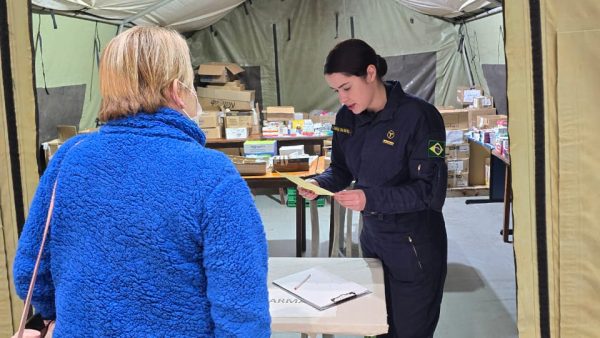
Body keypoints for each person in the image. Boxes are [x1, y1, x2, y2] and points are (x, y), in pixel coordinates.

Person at [13, 26, 271, 337]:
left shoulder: (69, 157)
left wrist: (72, 315)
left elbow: (30, 273)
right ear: (178, 90)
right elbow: (242, 310)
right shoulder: (212, 174)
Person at [298, 39, 448, 337]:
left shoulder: (420, 117)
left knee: (408, 331)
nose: (341, 98)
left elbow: (429, 194)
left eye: (346, 88)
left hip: (413, 246)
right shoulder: (346, 118)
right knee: (376, 326)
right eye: (336, 91)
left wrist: (369, 198)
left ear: (369, 73)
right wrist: (319, 183)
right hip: (374, 241)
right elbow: (341, 169)